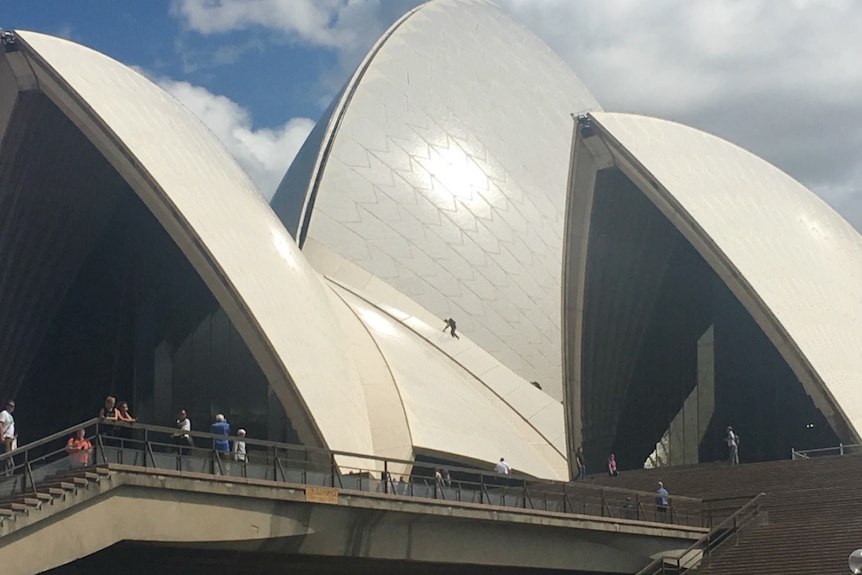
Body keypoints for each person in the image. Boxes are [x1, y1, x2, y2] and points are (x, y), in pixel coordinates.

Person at [0, 400, 16, 474]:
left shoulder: (10, 416)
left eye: (13, 406)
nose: (11, 407)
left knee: (9, 454)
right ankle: (6, 471)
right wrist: (1, 436)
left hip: (10, 438)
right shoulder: (4, 413)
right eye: (10, 405)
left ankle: (7, 471)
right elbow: (0, 424)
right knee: (7, 455)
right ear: (7, 406)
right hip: (5, 437)